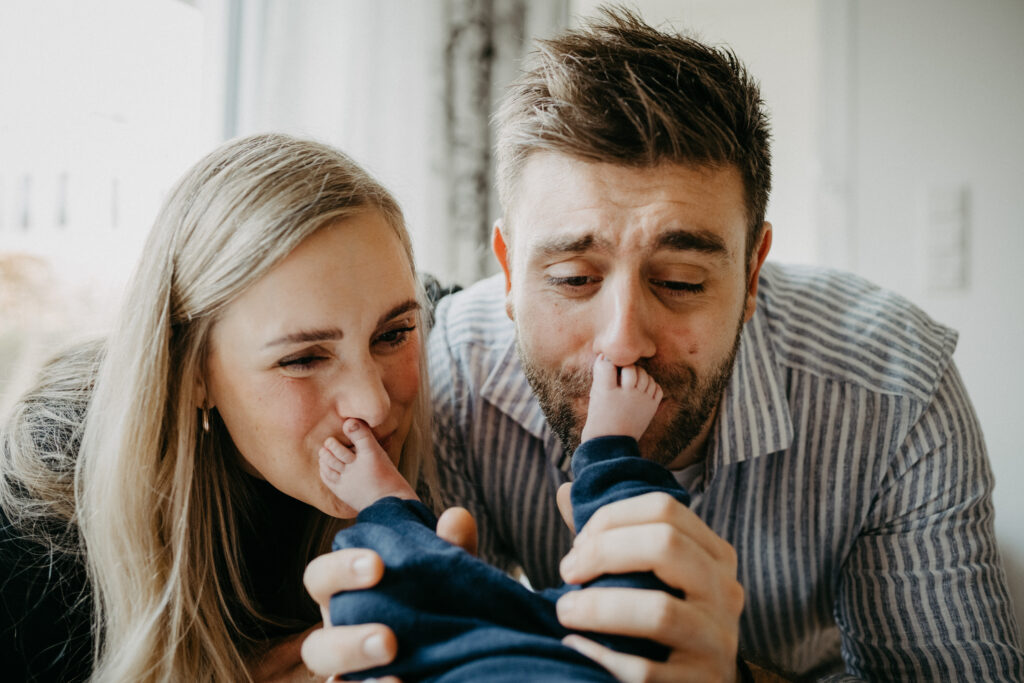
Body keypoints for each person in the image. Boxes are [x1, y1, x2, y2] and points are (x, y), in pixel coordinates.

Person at [302, 8, 1024, 682]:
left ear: (750, 273)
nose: (622, 342)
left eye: (679, 281)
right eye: (574, 277)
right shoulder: (451, 370)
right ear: (507, 270)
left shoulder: (895, 391)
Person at [0, 132, 444, 681]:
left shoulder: (442, 363)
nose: (374, 406)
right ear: (191, 373)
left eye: (394, 333)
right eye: (303, 359)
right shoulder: (43, 524)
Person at [318, 356, 691, 681]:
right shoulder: (463, 373)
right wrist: (612, 449)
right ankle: (611, 450)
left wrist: (384, 508)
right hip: (574, 661)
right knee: (648, 608)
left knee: (369, 612)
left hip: (462, 664)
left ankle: (385, 504)